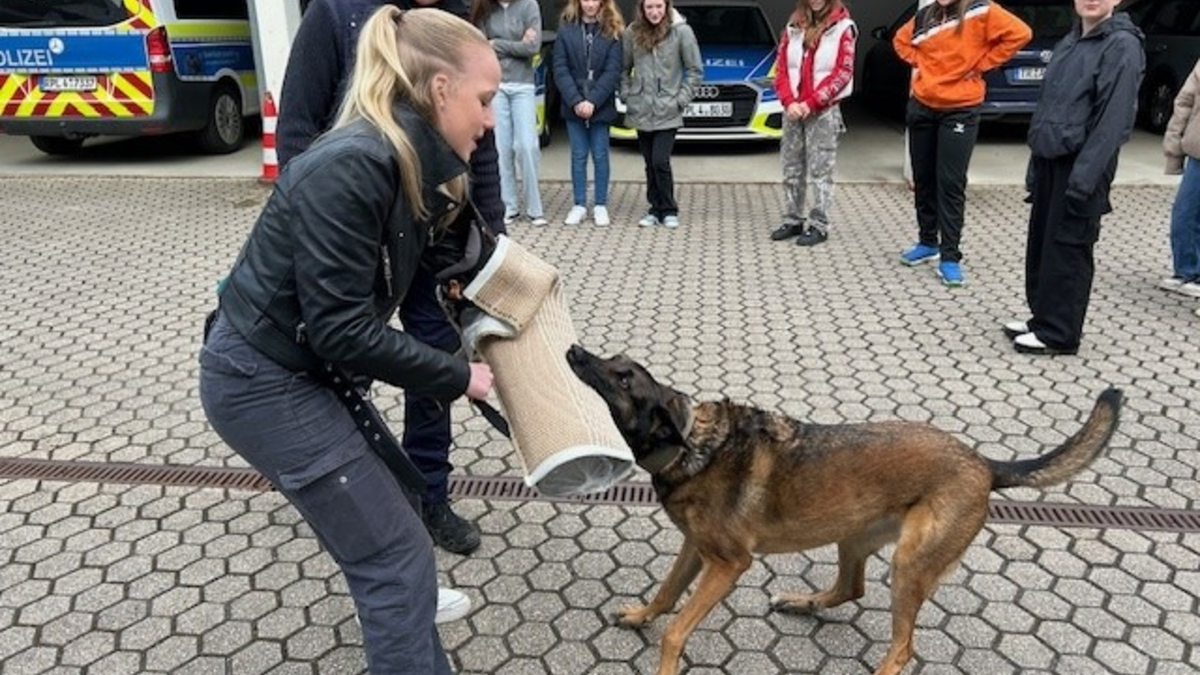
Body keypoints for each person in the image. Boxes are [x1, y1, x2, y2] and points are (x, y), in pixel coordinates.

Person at [199, 8, 499, 672]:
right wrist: (461, 376)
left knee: (402, 532)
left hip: (297, 369)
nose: (490, 119)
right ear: (441, 90)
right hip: (260, 380)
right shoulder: (354, 164)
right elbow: (343, 330)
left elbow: (449, 259)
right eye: (485, 99)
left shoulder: (408, 161)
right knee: (393, 558)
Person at [277, 0, 502, 557]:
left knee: (436, 363)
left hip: (432, 234)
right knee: (350, 364)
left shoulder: (451, 22)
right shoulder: (334, 16)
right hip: (360, 234)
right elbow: (298, 129)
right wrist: (321, 232)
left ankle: (429, 494)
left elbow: (483, 147)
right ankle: (356, 496)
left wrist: (491, 243)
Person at [1003, 0, 1143, 355]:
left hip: (1083, 164)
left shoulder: (1121, 45)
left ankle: (1059, 333)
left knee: (1069, 248)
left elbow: (1112, 122)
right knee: (1043, 245)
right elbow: (1048, 105)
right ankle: (1042, 317)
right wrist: (1035, 164)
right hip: (1051, 159)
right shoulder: (1072, 40)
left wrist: (1084, 179)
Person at [893, 0, 1031, 286]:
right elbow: (899, 40)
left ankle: (950, 257)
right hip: (922, 106)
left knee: (950, 182)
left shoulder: (983, 10)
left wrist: (981, 63)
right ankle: (927, 241)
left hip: (960, 108)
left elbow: (1021, 33)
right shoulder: (925, 16)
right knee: (924, 177)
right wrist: (921, 63)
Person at [768, 0, 856, 247]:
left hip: (823, 111)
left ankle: (819, 224)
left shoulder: (843, 28)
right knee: (791, 167)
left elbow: (843, 72)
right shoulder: (793, 25)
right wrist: (788, 101)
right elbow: (781, 68)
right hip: (793, 110)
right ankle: (793, 219)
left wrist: (812, 102)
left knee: (821, 171)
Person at [620, 0, 703, 228]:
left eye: (659, 6)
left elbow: (695, 70)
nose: (654, 12)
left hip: (668, 108)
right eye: (649, 7)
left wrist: (680, 100)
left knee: (660, 160)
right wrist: (627, 93)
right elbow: (623, 68)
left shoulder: (681, 32)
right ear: (642, 9)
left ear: (667, 6)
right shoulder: (632, 33)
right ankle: (654, 209)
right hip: (641, 108)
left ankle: (668, 208)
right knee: (649, 162)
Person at [471, 0, 547, 227]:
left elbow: (532, 48)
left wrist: (498, 44)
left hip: (523, 85)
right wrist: (515, 44)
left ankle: (535, 208)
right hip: (496, 87)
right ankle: (509, 206)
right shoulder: (484, 7)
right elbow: (481, 46)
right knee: (501, 147)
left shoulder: (529, 5)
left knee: (527, 145)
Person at [552, 0, 625, 227]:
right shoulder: (566, 29)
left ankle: (600, 204)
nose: (590, 4)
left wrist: (593, 101)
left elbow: (613, 70)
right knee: (578, 155)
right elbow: (560, 68)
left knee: (600, 154)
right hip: (573, 102)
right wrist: (575, 100)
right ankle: (580, 204)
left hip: (600, 104)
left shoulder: (613, 30)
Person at [1160, 56, 1200, 299]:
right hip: (1197, 153)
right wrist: (1174, 149)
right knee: (1184, 214)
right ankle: (1187, 271)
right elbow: (1184, 103)